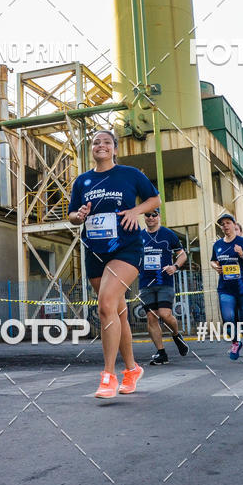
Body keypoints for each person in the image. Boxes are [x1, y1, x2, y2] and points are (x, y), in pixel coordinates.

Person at [68, 129, 160, 397]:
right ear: (92, 149)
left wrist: (135, 211)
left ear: (115, 149)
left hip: (126, 248)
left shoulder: (129, 174)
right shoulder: (82, 181)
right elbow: (72, 215)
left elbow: (154, 199)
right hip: (95, 251)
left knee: (105, 304)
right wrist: (79, 215)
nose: (101, 145)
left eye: (107, 142)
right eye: (96, 142)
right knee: (117, 312)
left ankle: (108, 376)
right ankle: (132, 369)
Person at [138, 208, 189, 365]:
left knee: (165, 314)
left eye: (154, 215)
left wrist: (175, 266)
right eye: (148, 215)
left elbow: (182, 254)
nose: (151, 217)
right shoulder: (139, 236)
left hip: (164, 282)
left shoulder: (168, 234)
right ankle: (161, 353)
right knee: (151, 317)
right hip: (145, 283)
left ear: (159, 216)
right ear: (144, 217)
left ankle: (176, 334)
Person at [210, 213, 243, 362]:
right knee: (228, 318)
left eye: (228, 223)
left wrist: (242, 254)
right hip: (225, 288)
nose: (225, 226)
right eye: (222, 224)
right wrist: (215, 266)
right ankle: (236, 343)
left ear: (233, 224)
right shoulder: (217, 245)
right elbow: (213, 260)